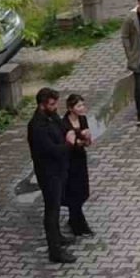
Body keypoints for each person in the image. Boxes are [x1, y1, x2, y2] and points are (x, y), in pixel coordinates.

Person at [28, 87, 74, 263]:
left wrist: (69, 132)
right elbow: (50, 150)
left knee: (56, 205)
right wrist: (68, 145)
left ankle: (58, 237)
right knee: (52, 210)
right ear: (42, 105)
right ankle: (55, 251)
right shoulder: (37, 126)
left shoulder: (51, 116)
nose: (56, 107)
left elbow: (63, 126)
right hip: (48, 173)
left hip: (59, 169)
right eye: (52, 104)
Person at [62, 94, 94, 238]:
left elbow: (87, 142)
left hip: (80, 158)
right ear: (70, 108)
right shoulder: (64, 124)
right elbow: (70, 144)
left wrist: (86, 138)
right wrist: (79, 139)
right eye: (78, 106)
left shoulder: (82, 119)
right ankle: (78, 223)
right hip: (69, 160)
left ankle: (75, 219)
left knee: (82, 190)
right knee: (73, 191)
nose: (82, 108)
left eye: (83, 105)